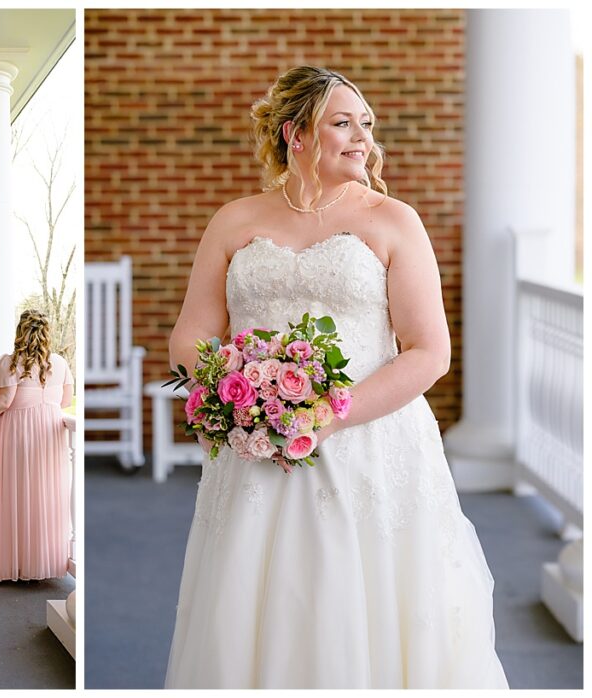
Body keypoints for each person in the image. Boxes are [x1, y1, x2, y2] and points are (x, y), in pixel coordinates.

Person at [163, 66, 508, 689]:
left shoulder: (393, 220)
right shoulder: (235, 220)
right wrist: (230, 391)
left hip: (369, 449)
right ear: (296, 134)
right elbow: (190, 335)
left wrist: (322, 415)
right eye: (342, 123)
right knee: (256, 605)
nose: (362, 138)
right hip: (255, 452)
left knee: (369, 604)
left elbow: (429, 352)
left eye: (366, 125)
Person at [0, 310, 73, 582]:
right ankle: (43, 561)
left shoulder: (11, 363)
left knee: (16, 492)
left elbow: (2, 403)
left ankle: (18, 562)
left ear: (20, 331)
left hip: (20, 432)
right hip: (50, 430)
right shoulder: (59, 363)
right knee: (45, 493)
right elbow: (66, 400)